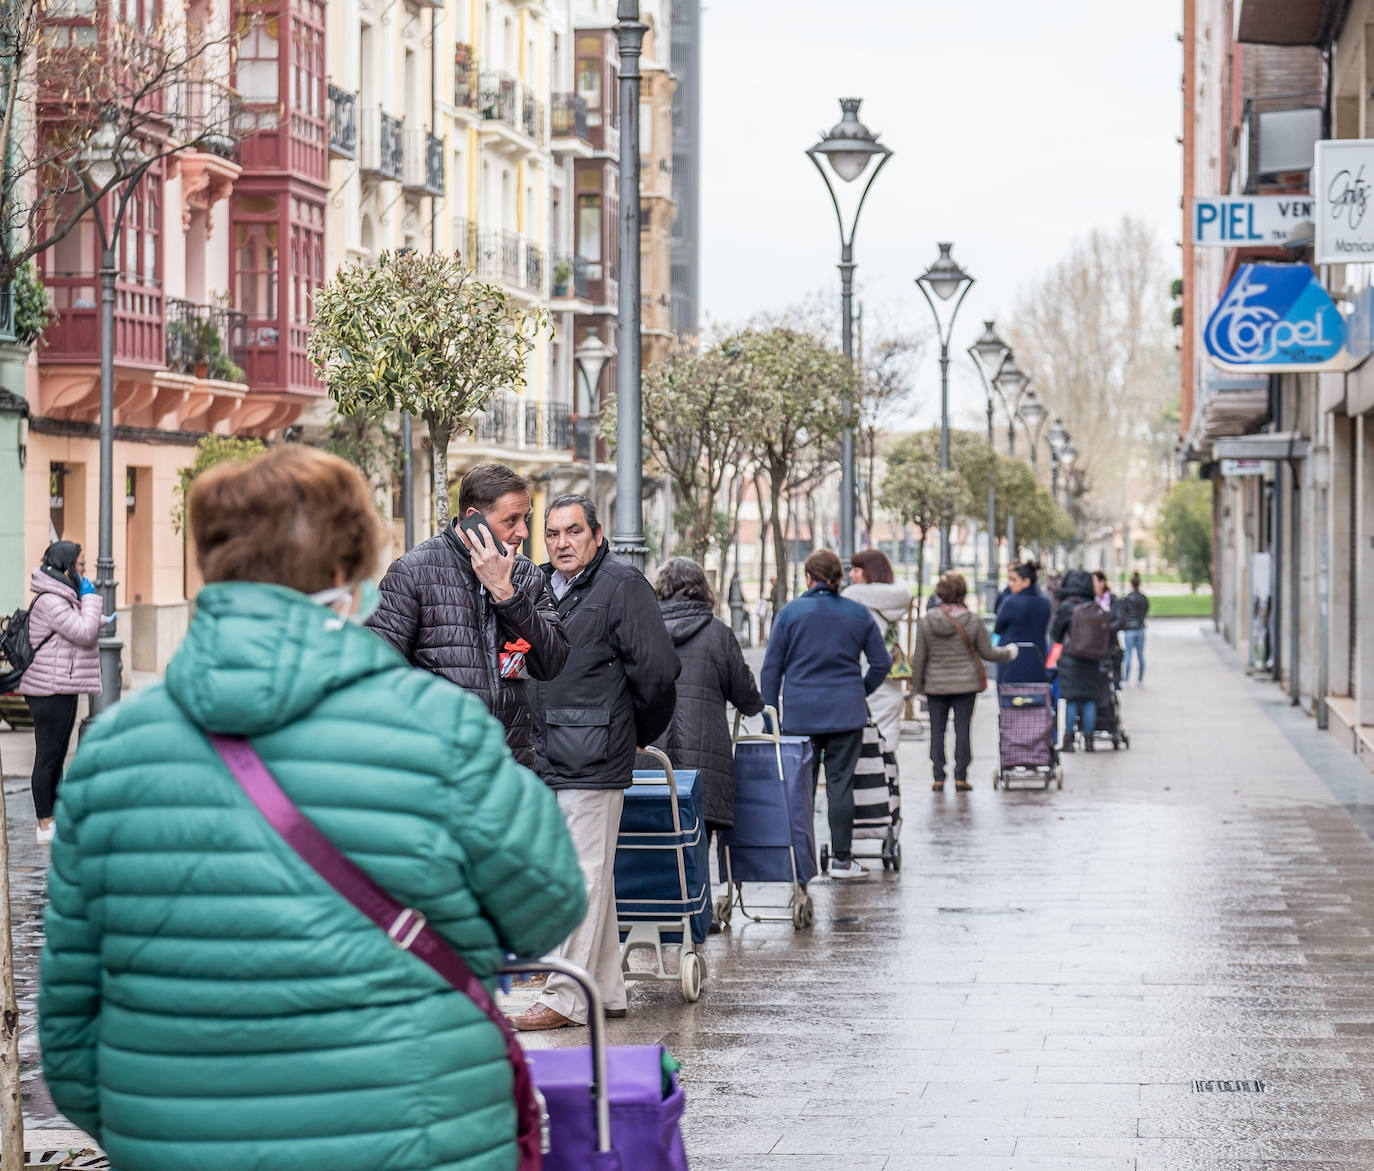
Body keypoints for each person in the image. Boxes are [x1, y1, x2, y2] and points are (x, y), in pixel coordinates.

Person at [39, 446, 587, 1171]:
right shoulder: (438, 729)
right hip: (416, 1134)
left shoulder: (109, 756)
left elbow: (69, 1038)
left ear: (213, 562)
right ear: (346, 573)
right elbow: (549, 904)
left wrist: (164, 1130)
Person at [516, 494, 680, 1032]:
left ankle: (564, 996)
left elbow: (658, 671)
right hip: (550, 751)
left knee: (580, 877)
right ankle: (605, 990)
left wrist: (635, 732)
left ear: (598, 534)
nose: (562, 543)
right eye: (553, 533)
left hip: (595, 753)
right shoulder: (539, 584)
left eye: (573, 532)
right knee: (592, 875)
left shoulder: (622, 585)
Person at [366, 461, 569, 768]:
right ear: (474, 519)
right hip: (438, 767)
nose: (523, 532)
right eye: (511, 520)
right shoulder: (413, 572)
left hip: (510, 765)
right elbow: (377, 676)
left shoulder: (526, 575)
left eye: (525, 518)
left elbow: (552, 662)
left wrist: (507, 595)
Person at [760, 549, 890, 880]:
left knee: (800, 788)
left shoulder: (789, 614)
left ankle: (798, 860)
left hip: (800, 715)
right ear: (839, 578)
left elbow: (771, 670)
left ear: (808, 577)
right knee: (840, 784)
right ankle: (842, 860)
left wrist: (770, 716)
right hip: (846, 714)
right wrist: (860, 691)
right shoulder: (858, 613)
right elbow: (881, 663)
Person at [652, 557, 763, 838]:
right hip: (706, 768)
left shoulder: (643, 632)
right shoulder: (719, 634)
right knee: (698, 846)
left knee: (653, 844)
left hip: (650, 763)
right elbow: (747, 697)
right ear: (702, 590)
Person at [18, 540, 104, 844]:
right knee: (47, 758)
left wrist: (95, 613)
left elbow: (76, 627)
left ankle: (54, 819)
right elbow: (83, 632)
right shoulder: (51, 600)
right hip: (48, 690)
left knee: (56, 758)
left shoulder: (61, 595)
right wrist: (90, 600)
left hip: (60, 686)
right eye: (80, 564)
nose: (83, 570)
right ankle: (44, 825)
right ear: (67, 566)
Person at [910, 572, 1017, 792]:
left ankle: (938, 777)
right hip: (966, 684)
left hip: (935, 684)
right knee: (963, 729)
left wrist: (917, 686)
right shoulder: (973, 620)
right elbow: (988, 653)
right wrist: (1009, 653)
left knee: (937, 731)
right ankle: (961, 777)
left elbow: (919, 656)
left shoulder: (927, 621)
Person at [842, 548, 911, 758]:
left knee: (868, 750)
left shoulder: (854, 600)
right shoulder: (897, 599)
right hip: (891, 682)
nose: (851, 575)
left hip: (868, 677)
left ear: (870, 572)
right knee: (885, 748)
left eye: (856, 570)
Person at [1052, 568, 1104, 751]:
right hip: (1092, 658)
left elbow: (1056, 634)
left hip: (1071, 658)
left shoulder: (1067, 607)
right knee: (1089, 699)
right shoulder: (1093, 606)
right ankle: (1089, 741)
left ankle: (1068, 740)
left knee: (1072, 699)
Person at [993, 561, 1052, 684]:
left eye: (1014, 580)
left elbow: (998, 628)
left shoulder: (1010, 602)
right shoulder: (1045, 602)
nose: (1010, 584)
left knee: (1010, 693)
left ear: (1026, 582)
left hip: (1011, 656)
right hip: (1037, 656)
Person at [1119, 571, 1150, 684]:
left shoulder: (1128, 598)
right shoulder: (1143, 598)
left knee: (1128, 654)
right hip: (1140, 629)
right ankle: (1140, 679)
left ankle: (1126, 679)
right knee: (1140, 655)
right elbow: (1145, 611)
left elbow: (1123, 613)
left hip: (1130, 630)